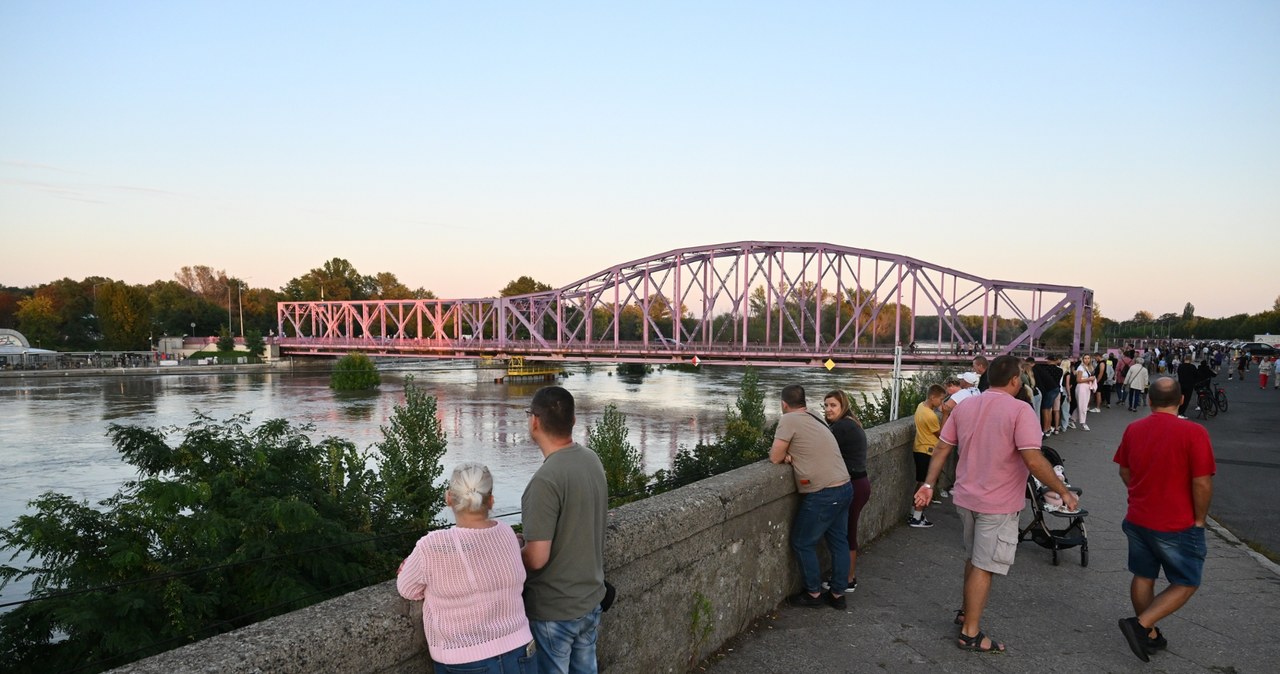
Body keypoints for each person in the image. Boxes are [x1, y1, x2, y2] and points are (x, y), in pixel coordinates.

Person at [913, 355, 1078, 653]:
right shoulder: (1020, 410)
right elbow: (1033, 459)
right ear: (1015, 380)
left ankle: (966, 612)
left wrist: (928, 484)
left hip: (965, 498)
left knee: (974, 558)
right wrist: (1062, 490)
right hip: (998, 502)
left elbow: (941, 448)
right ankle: (970, 633)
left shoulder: (966, 407)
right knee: (984, 565)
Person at [1113, 376, 1216, 663]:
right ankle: (1141, 626)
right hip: (1176, 521)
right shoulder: (1194, 433)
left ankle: (1151, 634)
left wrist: (1139, 493)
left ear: (1149, 400)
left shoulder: (1134, 429)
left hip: (1138, 517)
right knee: (1187, 580)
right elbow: (1202, 483)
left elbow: (1124, 471)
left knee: (1144, 575)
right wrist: (1199, 519)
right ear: (1182, 400)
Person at [397, 463, 537, 674]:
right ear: (490, 501)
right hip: (520, 649)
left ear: (449, 499)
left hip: (464, 658)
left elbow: (407, 589)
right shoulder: (507, 534)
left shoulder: (432, 546)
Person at [521, 386, 608, 674]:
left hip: (554, 611)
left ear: (534, 421)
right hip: (589, 600)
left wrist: (511, 548)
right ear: (573, 421)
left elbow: (536, 558)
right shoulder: (591, 459)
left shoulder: (545, 481)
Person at [770, 384, 853, 610]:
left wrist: (788, 456)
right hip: (845, 486)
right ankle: (837, 595)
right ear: (804, 402)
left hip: (824, 492)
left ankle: (813, 593)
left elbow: (775, 456)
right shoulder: (815, 415)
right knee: (839, 542)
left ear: (784, 404)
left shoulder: (788, 419)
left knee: (801, 542)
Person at [823, 389, 871, 591]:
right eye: (825, 405)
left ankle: (848, 579)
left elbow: (821, 451)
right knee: (847, 532)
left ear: (843, 406)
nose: (828, 409)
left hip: (854, 485)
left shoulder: (841, 427)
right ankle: (846, 576)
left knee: (847, 533)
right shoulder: (850, 422)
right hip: (860, 483)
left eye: (833, 405)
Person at [909, 384, 946, 529]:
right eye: (941, 399)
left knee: (920, 483)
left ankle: (914, 512)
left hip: (919, 448)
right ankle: (917, 518)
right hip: (927, 451)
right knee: (926, 484)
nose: (941, 403)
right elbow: (942, 435)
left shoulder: (921, 407)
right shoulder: (930, 415)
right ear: (932, 397)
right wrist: (946, 415)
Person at [1033, 356, 1063, 437]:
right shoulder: (1060, 370)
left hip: (1049, 390)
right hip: (1057, 390)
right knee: (1054, 410)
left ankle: (1046, 429)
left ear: (1049, 360)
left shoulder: (1045, 369)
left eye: (1047, 360)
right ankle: (1053, 427)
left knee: (1045, 409)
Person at [1073, 354, 1096, 431]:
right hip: (1081, 387)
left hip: (1086, 387)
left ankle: (1072, 419)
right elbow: (1078, 380)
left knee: (1082, 405)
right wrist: (1089, 379)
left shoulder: (1089, 367)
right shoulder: (1080, 368)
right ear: (1082, 359)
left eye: (1088, 358)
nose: (1087, 360)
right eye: (1085, 358)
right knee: (1083, 406)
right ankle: (1083, 423)